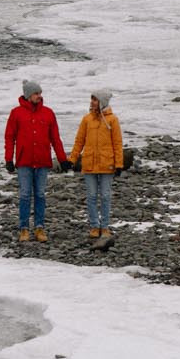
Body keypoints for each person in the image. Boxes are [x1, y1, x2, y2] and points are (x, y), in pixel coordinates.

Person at [4, 80, 67, 243]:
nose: (39, 96)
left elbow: (55, 138)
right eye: (36, 93)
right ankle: (24, 229)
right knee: (25, 195)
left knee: (40, 194)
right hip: (24, 161)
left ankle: (39, 228)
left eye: (40, 93)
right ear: (28, 95)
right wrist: (8, 159)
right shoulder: (16, 113)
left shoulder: (48, 113)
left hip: (42, 161)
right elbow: (9, 137)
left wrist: (62, 159)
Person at [69, 91, 125, 251]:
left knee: (105, 196)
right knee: (92, 196)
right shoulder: (86, 119)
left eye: (95, 99)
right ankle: (95, 226)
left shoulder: (112, 120)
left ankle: (105, 226)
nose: (92, 102)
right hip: (89, 164)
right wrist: (72, 159)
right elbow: (79, 141)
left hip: (107, 164)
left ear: (102, 101)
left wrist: (119, 164)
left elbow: (117, 143)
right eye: (92, 99)